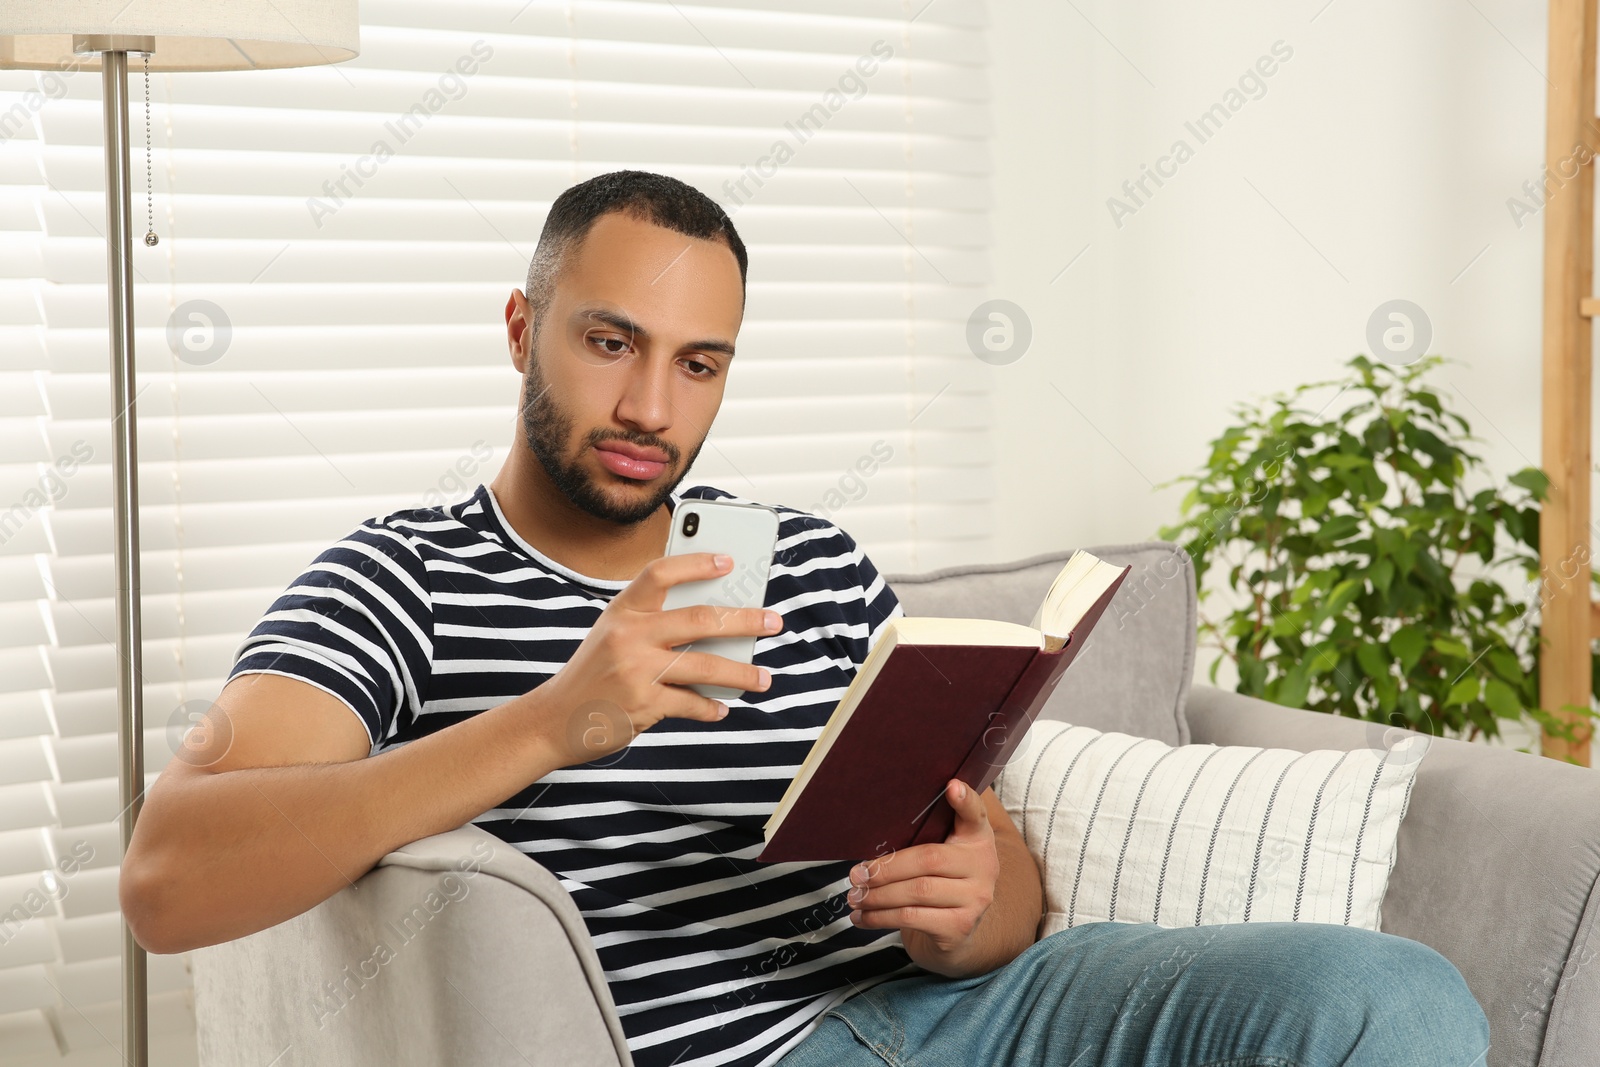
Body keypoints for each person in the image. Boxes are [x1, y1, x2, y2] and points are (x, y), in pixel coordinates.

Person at [119, 170, 1491, 1067]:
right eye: (613, 343)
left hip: (960, 1007)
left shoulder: (815, 566)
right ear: (522, 328)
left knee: (1393, 1000)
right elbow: (170, 880)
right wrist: (552, 722)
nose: (656, 408)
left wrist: (978, 905)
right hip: (751, 1054)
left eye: (700, 363)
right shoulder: (401, 580)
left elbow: (991, 871)